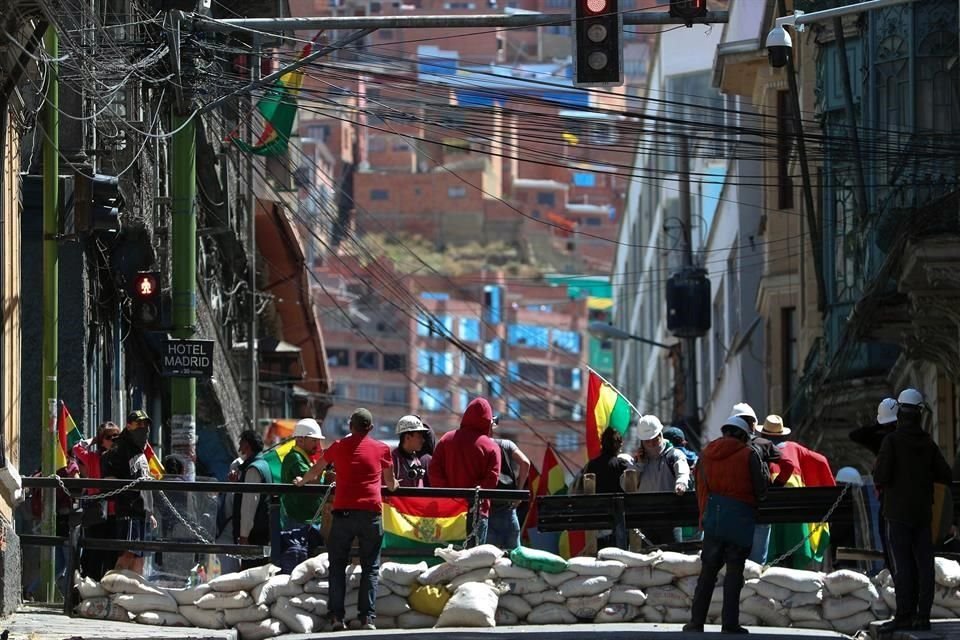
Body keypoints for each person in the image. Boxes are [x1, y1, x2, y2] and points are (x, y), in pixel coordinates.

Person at [295, 408, 398, 631]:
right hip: (371, 515)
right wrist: (395, 484)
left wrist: (302, 481)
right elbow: (390, 485)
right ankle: (367, 619)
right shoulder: (382, 449)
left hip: (343, 515)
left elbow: (317, 469)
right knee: (370, 567)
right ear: (370, 428)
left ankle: (336, 618)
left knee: (337, 567)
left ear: (350, 426)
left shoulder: (338, 447)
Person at [875, 388, 953, 632]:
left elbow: (881, 475)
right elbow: (945, 475)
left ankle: (903, 616)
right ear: (919, 413)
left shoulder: (892, 441)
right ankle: (923, 617)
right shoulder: (928, 442)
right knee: (924, 563)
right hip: (922, 513)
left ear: (900, 413)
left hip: (896, 513)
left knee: (903, 564)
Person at [683, 416, 768, 634]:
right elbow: (761, 490)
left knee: (708, 572)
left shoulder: (706, 454)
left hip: (714, 518)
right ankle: (729, 624)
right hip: (740, 519)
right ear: (742, 435)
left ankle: (696, 622)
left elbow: (700, 487)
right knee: (734, 573)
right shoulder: (749, 454)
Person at [429, 397, 501, 547]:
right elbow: (491, 481)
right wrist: (470, 497)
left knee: (445, 556)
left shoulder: (446, 440)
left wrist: (449, 494)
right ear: (488, 421)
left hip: (448, 511)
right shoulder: (491, 447)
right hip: (477, 511)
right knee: (473, 562)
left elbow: (434, 471)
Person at [731, 403, 794, 564]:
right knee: (757, 565)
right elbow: (788, 465)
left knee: (735, 565)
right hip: (760, 509)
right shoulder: (762, 444)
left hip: (732, 512)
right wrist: (776, 486)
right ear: (752, 424)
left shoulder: (722, 447)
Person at [100, 410, 157, 575]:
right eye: (139, 424)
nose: (144, 428)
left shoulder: (139, 450)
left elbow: (143, 480)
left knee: (139, 558)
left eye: (146, 424)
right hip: (128, 511)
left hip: (141, 512)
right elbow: (109, 473)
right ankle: (114, 588)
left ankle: (133, 596)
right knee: (127, 554)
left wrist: (149, 511)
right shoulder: (121, 447)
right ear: (129, 425)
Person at [625, 414, 690, 545]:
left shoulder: (674, 455)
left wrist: (681, 483)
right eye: (648, 441)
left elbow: (682, 470)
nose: (652, 444)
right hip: (645, 520)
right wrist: (639, 466)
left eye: (655, 439)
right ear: (642, 442)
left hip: (670, 519)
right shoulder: (637, 461)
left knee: (674, 559)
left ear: (661, 434)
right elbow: (626, 485)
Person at [73, 421, 121, 580]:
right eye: (109, 437)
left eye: (116, 436)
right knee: (93, 552)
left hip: (116, 511)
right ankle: (90, 586)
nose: (113, 439)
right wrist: (93, 440)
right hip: (98, 511)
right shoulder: (93, 458)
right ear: (102, 440)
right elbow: (76, 448)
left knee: (113, 553)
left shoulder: (121, 458)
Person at [583, 427, 630, 549]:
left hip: (598, 523)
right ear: (619, 445)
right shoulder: (622, 466)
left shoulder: (591, 465)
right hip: (620, 523)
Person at [233, 429, 273, 569]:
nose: (239, 446)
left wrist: (244, 535)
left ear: (246, 445)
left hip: (254, 534)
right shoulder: (263, 465)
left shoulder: (253, 469)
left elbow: (248, 506)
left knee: (250, 573)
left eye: (241, 443)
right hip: (261, 531)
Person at [488, 426, 531, 551]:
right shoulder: (506, 444)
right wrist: (519, 491)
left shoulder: (478, 446)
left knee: (488, 562)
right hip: (508, 510)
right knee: (515, 557)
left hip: (486, 510)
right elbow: (525, 463)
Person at [281, 419, 326, 529]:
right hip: (300, 521)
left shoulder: (305, 457)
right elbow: (313, 480)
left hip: (309, 519)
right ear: (300, 440)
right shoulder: (295, 458)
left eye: (318, 441)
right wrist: (324, 464)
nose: (317, 444)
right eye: (314, 440)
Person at [392, 415, 432, 488]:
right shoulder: (393, 460)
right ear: (407, 437)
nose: (423, 440)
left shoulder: (419, 460)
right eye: (419, 436)